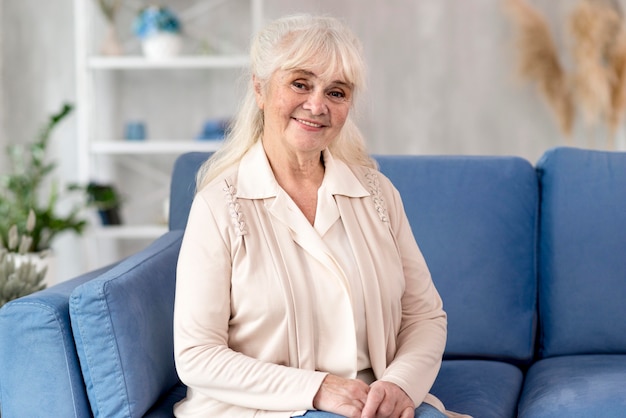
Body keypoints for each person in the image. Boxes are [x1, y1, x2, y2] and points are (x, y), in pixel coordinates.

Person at [173, 14, 470, 418]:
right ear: (260, 89)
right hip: (266, 409)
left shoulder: (378, 194)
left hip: (371, 404)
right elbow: (196, 355)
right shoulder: (218, 207)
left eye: (337, 92)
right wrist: (317, 389)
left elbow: (424, 315)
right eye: (300, 84)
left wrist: (400, 384)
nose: (317, 105)